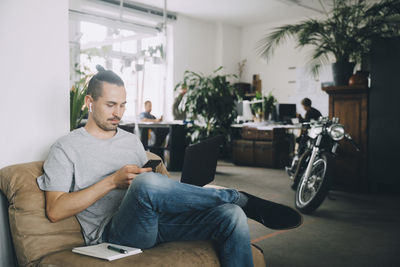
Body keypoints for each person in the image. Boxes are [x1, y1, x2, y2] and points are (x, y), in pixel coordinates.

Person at [36, 69, 302, 267]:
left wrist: (163, 185)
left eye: (122, 105)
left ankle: (234, 202)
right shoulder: (66, 147)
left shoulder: (130, 141)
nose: (118, 113)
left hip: (157, 221)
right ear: (89, 102)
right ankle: (237, 195)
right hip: (113, 234)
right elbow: (55, 210)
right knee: (145, 184)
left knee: (231, 216)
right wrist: (112, 181)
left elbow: (150, 189)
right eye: (110, 105)